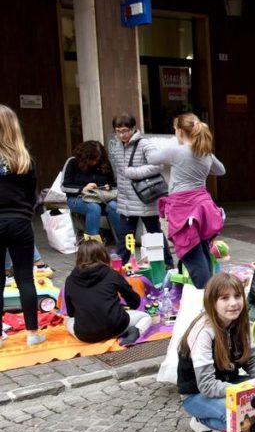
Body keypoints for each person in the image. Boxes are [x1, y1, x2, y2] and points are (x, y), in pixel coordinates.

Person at [177, 272, 255, 432]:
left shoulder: (242, 324)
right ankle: (202, 421)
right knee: (243, 417)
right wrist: (245, 394)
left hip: (229, 383)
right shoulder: (203, 332)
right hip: (196, 394)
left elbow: (252, 363)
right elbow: (206, 385)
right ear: (212, 302)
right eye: (224, 298)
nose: (233, 303)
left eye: (237, 296)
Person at [151, 113, 225, 289]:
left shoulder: (177, 150)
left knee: (190, 251)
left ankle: (205, 296)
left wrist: (173, 146)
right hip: (203, 204)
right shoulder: (204, 152)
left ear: (179, 131)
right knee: (203, 250)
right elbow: (221, 170)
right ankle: (210, 291)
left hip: (183, 208)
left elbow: (151, 158)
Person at [0, 105, 46, 349]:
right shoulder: (24, 159)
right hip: (19, 222)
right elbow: (32, 195)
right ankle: (32, 333)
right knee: (25, 278)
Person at [109, 113, 174, 268]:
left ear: (133, 129)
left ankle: (167, 262)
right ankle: (120, 265)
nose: (121, 134)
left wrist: (134, 172)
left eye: (125, 130)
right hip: (126, 198)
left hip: (145, 197)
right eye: (118, 131)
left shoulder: (145, 144)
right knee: (125, 234)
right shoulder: (117, 146)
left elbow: (158, 165)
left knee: (153, 232)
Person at [64, 240, 152, 345]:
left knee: (67, 321)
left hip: (86, 335)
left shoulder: (70, 280)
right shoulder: (112, 274)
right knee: (146, 317)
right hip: (116, 327)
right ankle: (136, 331)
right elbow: (134, 301)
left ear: (79, 257)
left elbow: (71, 312)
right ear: (104, 255)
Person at [62, 140, 122, 241]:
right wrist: (83, 188)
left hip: (102, 198)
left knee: (114, 206)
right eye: (92, 160)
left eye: (97, 159)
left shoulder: (104, 163)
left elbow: (114, 185)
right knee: (94, 208)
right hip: (77, 199)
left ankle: (123, 242)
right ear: (84, 157)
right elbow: (64, 186)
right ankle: (93, 244)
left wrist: (109, 187)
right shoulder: (72, 162)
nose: (95, 162)